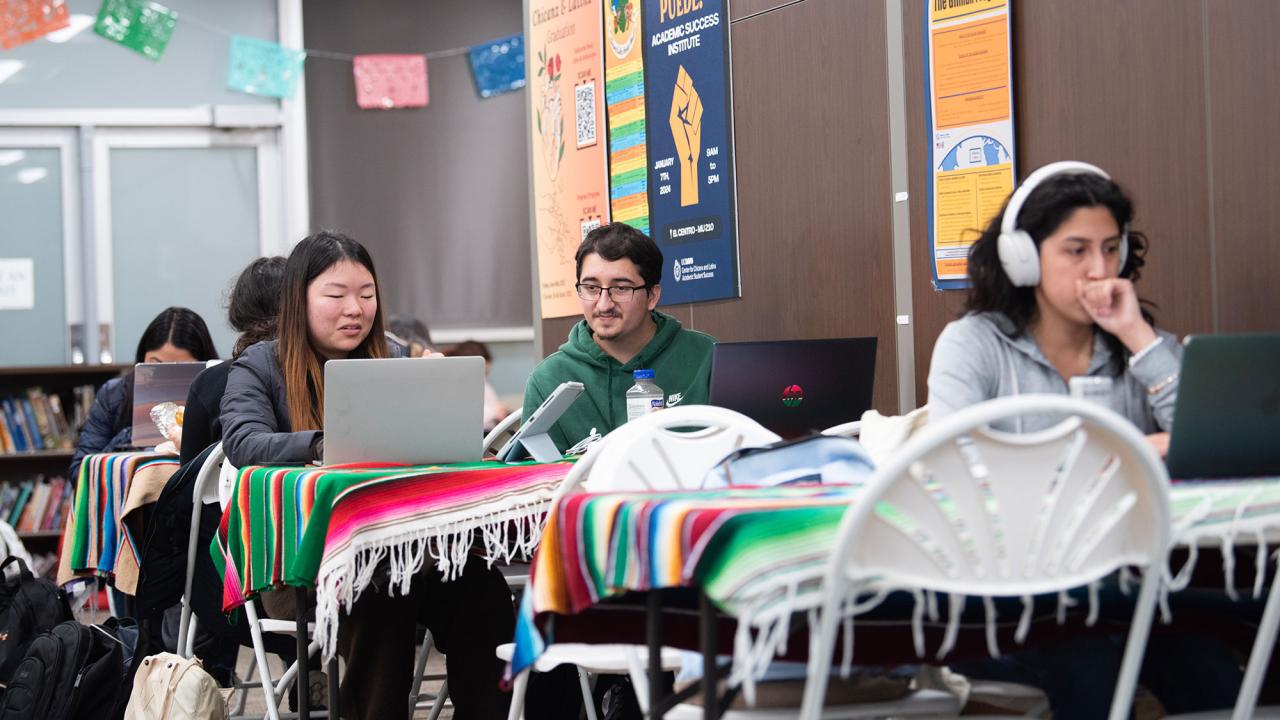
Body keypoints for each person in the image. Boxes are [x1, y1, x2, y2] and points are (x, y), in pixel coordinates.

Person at [927, 161, 1241, 717]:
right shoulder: (973, 344)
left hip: (1126, 589)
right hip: (1009, 598)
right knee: (1089, 662)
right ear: (1023, 257)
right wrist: (1131, 453)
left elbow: (1208, 440)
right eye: (1077, 251)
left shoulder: (1139, 345)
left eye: (1111, 249)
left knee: (1208, 661)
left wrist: (1136, 336)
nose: (1100, 270)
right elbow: (954, 469)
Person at [219, 231, 513, 720]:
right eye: (336, 295)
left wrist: (439, 400)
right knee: (380, 593)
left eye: (367, 294)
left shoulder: (394, 357)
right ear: (297, 299)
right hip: (302, 562)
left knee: (482, 590)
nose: (355, 309)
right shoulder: (261, 365)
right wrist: (322, 445)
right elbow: (243, 442)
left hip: (409, 547)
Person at [523, 222, 716, 452]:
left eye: (621, 288)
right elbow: (538, 473)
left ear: (652, 296)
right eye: (591, 288)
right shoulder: (549, 379)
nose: (604, 304)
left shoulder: (707, 357)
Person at [70, 306, 219, 480]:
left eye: (181, 369)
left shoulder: (220, 395)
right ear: (142, 358)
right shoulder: (114, 395)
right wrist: (132, 436)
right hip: (128, 494)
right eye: (156, 365)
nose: (166, 379)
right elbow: (79, 472)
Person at [445, 340, 510, 432]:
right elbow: (461, 419)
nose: (484, 378)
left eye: (486, 373)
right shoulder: (453, 390)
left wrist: (500, 411)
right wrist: (493, 413)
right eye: (481, 373)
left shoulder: (485, 386)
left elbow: (494, 404)